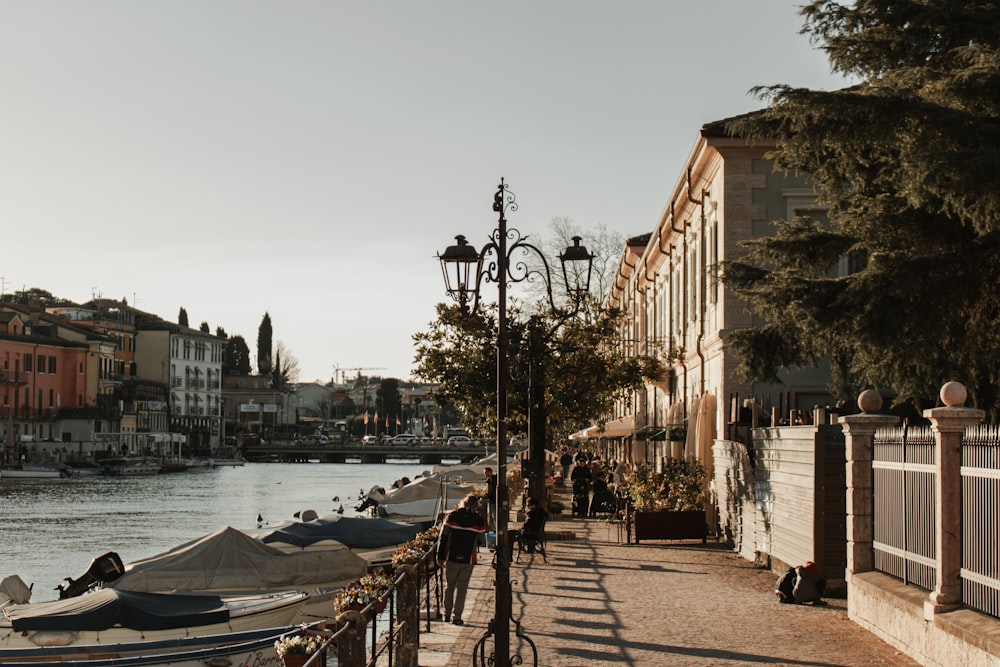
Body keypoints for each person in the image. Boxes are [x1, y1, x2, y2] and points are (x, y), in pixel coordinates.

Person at [436, 493, 487, 625]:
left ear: (463, 503)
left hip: (451, 556)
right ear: (476, 506)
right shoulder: (479, 521)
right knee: (462, 589)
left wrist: (440, 556)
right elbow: (482, 541)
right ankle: (457, 616)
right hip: (468, 558)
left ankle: (446, 614)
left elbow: (443, 538)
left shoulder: (452, 517)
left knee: (449, 587)